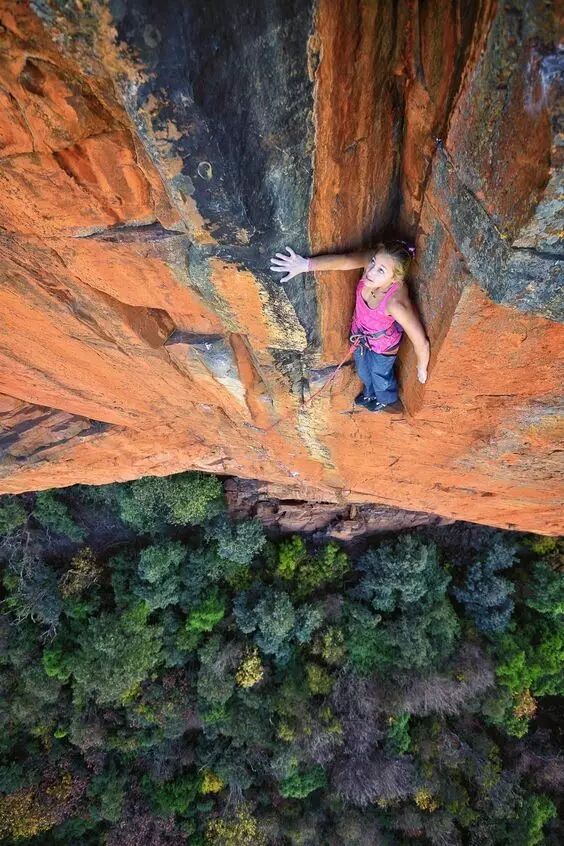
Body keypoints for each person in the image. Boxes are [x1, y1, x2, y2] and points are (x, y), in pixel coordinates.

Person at [270, 242, 430, 412]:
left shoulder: (395, 304)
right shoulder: (371, 266)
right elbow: (345, 260)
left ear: (394, 279)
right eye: (373, 262)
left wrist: (421, 368)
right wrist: (306, 265)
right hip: (360, 336)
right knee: (363, 371)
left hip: (383, 346)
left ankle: (385, 399)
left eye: (381, 270)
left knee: (379, 375)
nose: (370, 271)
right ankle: (370, 393)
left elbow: (421, 342)